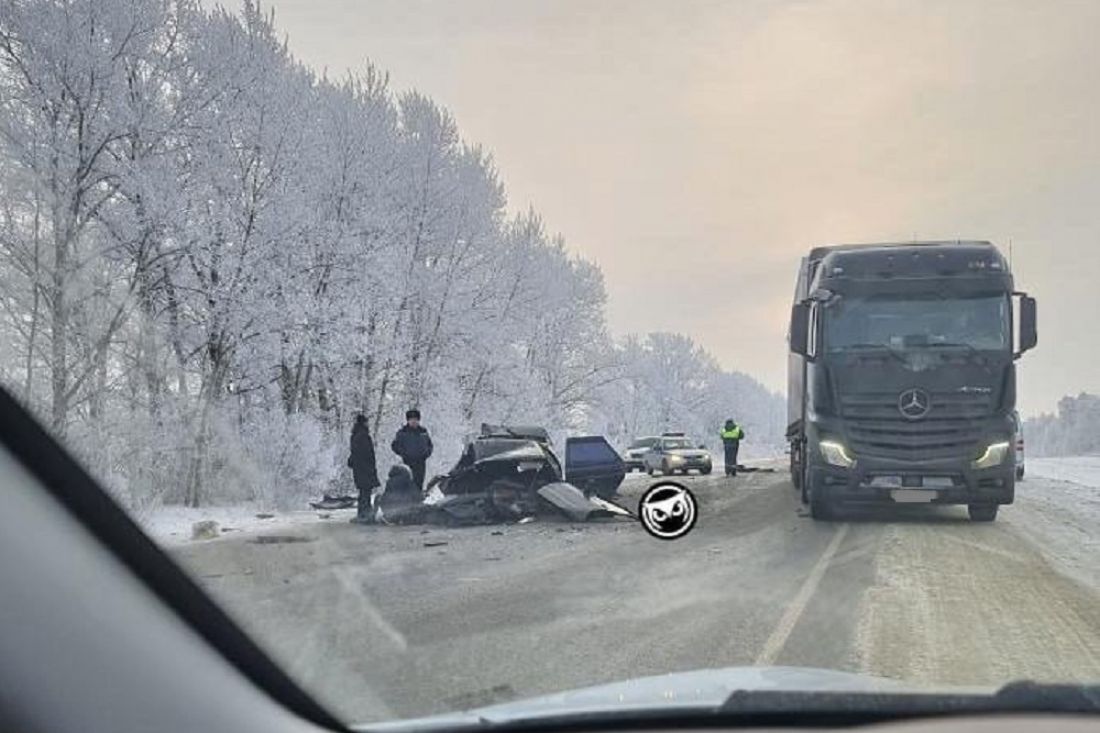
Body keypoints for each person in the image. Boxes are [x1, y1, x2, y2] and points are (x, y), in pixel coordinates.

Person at [348, 414, 381, 523]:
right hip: (365, 469)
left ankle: (363, 513)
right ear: (364, 423)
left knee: (363, 492)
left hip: (359, 469)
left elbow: (354, 453)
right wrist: (371, 467)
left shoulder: (355, 435)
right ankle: (365, 514)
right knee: (365, 492)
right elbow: (367, 453)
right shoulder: (363, 436)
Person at [391, 408, 433, 491]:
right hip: (408, 462)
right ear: (408, 421)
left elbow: (429, 444)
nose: (414, 421)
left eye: (416, 419)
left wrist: (426, 453)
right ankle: (409, 502)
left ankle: (418, 500)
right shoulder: (402, 432)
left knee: (419, 482)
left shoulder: (423, 431)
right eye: (411, 419)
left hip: (420, 462)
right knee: (409, 483)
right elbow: (395, 445)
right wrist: (403, 453)